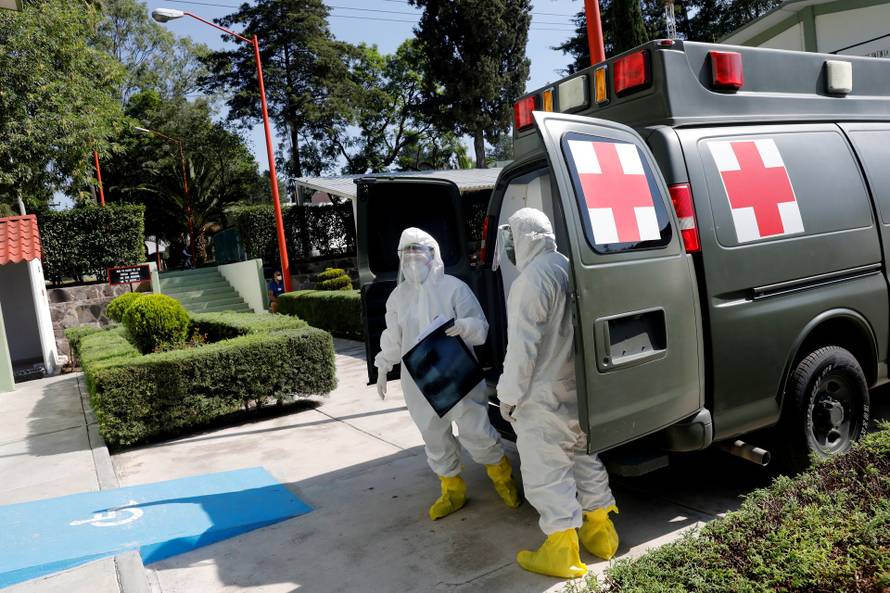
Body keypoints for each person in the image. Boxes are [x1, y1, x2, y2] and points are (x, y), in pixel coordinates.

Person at [495, 208, 619, 579]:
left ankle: (562, 552)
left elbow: (522, 348)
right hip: (579, 389)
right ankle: (602, 534)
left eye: (514, 238)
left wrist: (509, 395)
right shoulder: (569, 266)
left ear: (527, 238)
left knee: (547, 471)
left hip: (542, 394)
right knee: (584, 459)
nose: (512, 247)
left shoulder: (530, 280)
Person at [375, 227, 521, 520]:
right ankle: (452, 489)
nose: (414, 258)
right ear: (401, 258)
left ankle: (502, 477)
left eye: (419, 251)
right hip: (417, 380)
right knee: (433, 435)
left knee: (475, 430)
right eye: (408, 253)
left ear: (433, 255)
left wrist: (464, 326)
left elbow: (481, 328)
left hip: (458, 373)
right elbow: (393, 337)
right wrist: (382, 364)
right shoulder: (397, 297)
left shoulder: (454, 288)